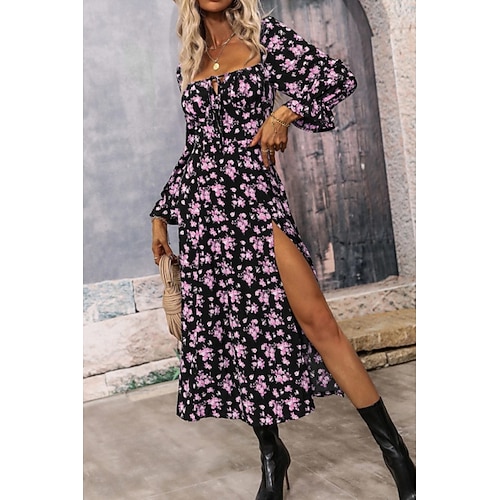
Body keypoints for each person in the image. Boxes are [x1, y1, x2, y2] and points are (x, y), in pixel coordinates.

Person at [150, 1, 416, 499]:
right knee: (239, 337)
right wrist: (160, 213)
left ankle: (397, 456)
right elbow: (196, 151)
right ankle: (273, 455)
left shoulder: (263, 37)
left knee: (319, 322)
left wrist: (283, 113)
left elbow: (336, 77)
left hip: (256, 203)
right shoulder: (190, 59)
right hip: (207, 221)